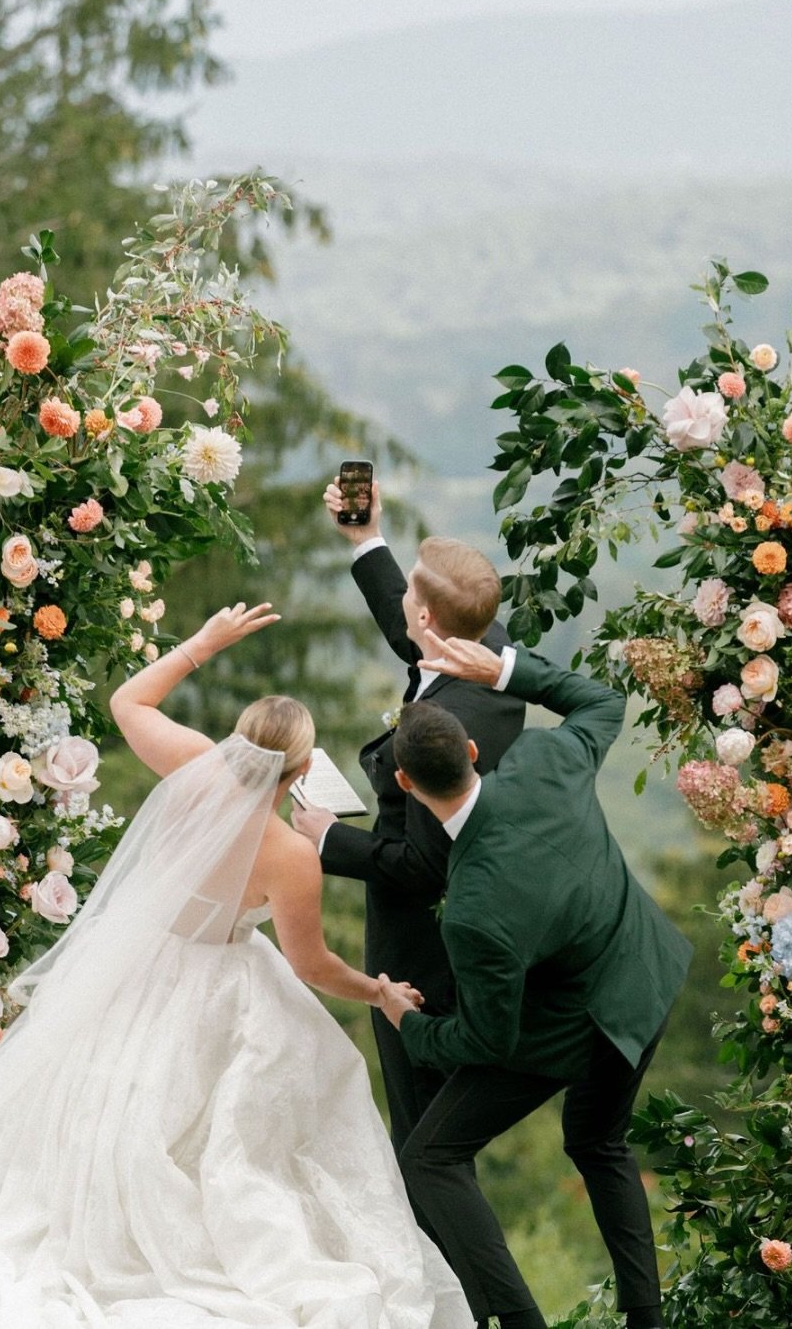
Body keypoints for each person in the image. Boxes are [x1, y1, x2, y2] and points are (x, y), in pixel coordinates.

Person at [0, 602, 473, 1329]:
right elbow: (311, 965)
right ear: (299, 771)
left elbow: (127, 700)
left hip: (134, 969)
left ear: (240, 743)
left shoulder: (195, 766)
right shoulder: (293, 855)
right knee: (260, 1114)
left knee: (97, 1105)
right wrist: (379, 991)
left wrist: (204, 642)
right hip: (222, 988)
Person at [378, 633, 693, 1329]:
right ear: (471, 752)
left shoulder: (473, 913)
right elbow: (602, 702)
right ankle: (649, 1319)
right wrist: (506, 669)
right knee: (596, 1141)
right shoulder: (545, 759)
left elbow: (489, 1036)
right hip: (646, 966)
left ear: (404, 784)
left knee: (430, 1157)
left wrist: (407, 1022)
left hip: (582, 1016)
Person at [292, 480, 525, 1169]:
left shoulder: (442, 727)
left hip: (421, 944)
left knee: (421, 1124)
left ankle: (436, 1262)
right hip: (452, 921)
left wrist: (327, 838)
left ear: (428, 618)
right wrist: (365, 538)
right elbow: (410, 634)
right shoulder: (484, 651)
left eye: (412, 599)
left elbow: (424, 865)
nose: (404, 609)